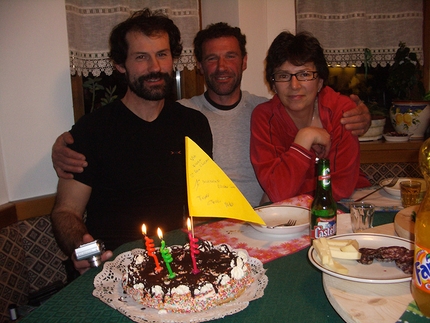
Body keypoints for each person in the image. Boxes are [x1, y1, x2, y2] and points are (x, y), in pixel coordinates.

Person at [52, 23, 371, 207]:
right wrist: (64, 146)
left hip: (269, 223)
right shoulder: (184, 116)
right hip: (212, 231)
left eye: (230, 56)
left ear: (245, 61)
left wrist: (360, 114)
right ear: (200, 66)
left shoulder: (267, 108)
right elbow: (132, 124)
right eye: (212, 59)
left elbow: (320, 113)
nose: (221, 67)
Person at [50, 9, 213, 274]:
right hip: (111, 267)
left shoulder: (194, 125)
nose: (155, 68)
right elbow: (66, 211)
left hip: (175, 264)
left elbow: (204, 204)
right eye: (141, 57)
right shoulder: (91, 130)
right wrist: (83, 250)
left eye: (162, 54)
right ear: (120, 64)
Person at [250, 31, 371, 203]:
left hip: (348, 205)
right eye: (283, 76)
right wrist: (305, 137)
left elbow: (341, 186)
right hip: (294, 213)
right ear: (274, 85)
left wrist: (284, 192)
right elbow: (278, 191)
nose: (294, 85)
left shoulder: (342, 112)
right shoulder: (264, 117)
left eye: (305, 74)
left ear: (320, 81)